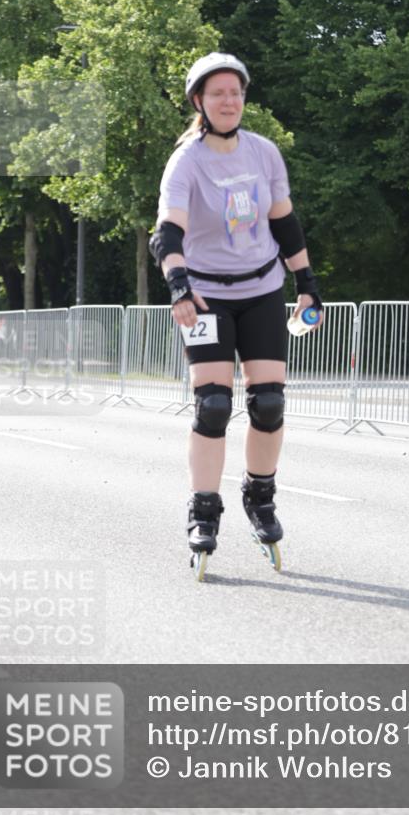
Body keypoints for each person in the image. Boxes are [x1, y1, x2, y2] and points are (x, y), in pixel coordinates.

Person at [149, 52, 323, 578]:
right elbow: (168, 232)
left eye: (237, 92)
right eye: (218, 93)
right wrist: (179, 285)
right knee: (214, 406)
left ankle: (260, 495)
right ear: (199, 101)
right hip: (205, 295)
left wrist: (307, 282)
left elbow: (284, 223)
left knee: (268, 402)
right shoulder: (186, 161)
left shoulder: (265, 153)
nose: (229, 101)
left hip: (262, 289)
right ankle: (203, 510)